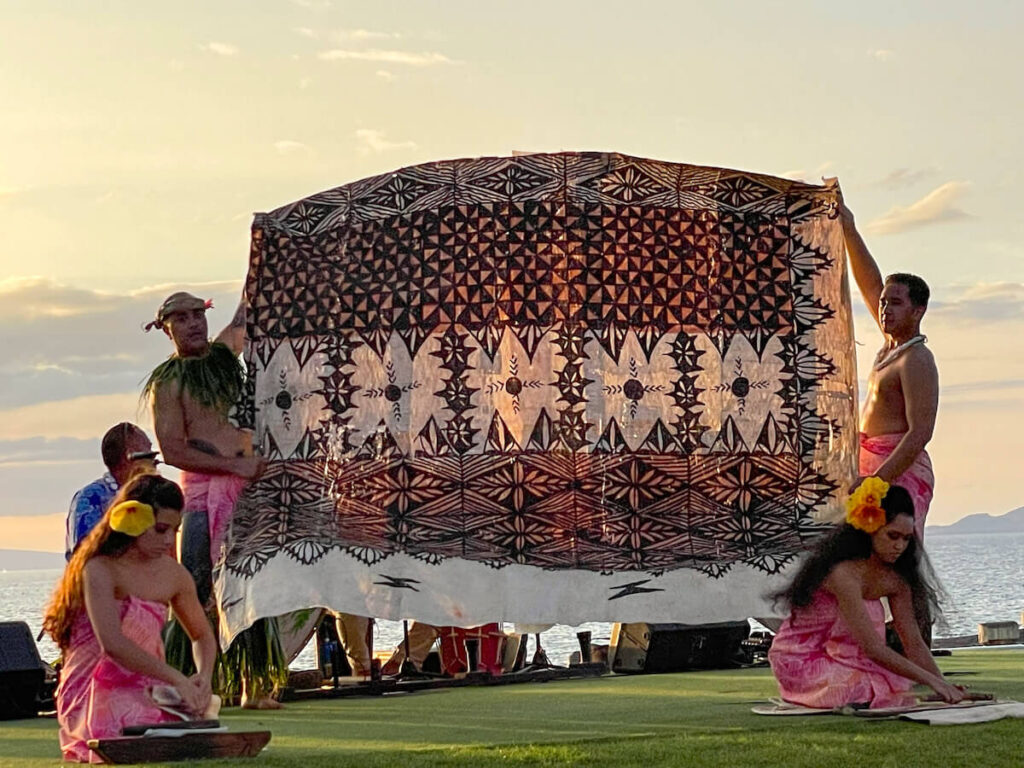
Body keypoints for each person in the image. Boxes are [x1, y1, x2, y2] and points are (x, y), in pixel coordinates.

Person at [143, 291, 284, 709]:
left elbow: (247, 314)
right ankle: (189, 686)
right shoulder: (169, 383)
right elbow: (171, 450)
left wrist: (265, 253)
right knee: (199, 591)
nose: (193, 323)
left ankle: (254, 686)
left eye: (197, 314)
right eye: (181, 318)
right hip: (206, 497)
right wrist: (233, 466)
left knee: (254, 580)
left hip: (247, 488)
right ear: (166, 328)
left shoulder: (224, 357)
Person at [43, 474, 216, 763]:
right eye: (160, 529)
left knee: (187, 715)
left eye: (175, 530)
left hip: (148, 684)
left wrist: (203, 678)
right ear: (133, 520)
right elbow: (112, 643)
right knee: (131, 716)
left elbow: (202, 636)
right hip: (93, 689)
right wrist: (176, 678)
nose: (169, 540)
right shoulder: (99, 569)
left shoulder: (174, 575)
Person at [767, 480, 966, 710]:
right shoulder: (842, 574)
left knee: (888, 684)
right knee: (865, 687)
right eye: (892, 536)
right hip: (799, 660)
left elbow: (913, 643)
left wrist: (943, 684)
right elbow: (872, 647)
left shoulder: (896, 580)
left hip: (843, 661)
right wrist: (931, 681)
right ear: (870, 528)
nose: (900, 546)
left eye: (906, 538)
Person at [838, 194, 938, 540]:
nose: (885, 310)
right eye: (883, 304)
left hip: (897, 472)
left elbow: (921, 431)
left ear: (918, 310)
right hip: (873, 469)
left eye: (895, 303)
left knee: (893, 563)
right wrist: (848, 228)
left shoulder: (916, 359)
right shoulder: (890, 348)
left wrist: (878, 483)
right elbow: (869, 283)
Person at [65, 422, 158, 560]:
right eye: (148, 456)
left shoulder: (154, 495)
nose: (155, 462)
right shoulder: (90, 498)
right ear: (128, 458)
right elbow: (84, 555)